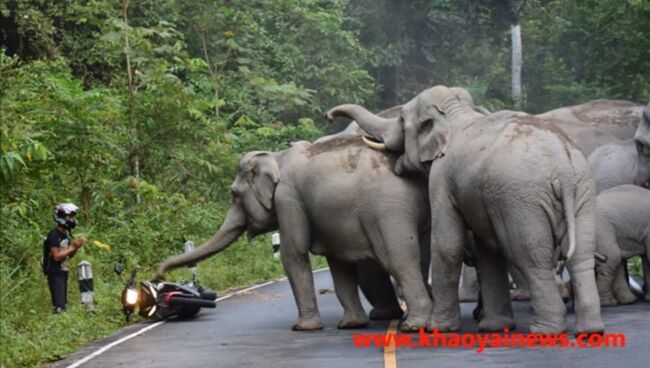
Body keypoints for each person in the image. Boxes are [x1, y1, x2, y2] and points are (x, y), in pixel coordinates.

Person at [43, 203, 86, 313]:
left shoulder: (65, 234)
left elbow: (69, 255)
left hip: (63, 271)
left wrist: (76, 247)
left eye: (73, 216)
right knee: (59, 305)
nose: (72, 219)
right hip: (55, 272)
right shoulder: (54, 235)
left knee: (63, 303)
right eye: (70, 216)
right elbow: (56, 256)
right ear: (61, 217)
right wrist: (73, 246)